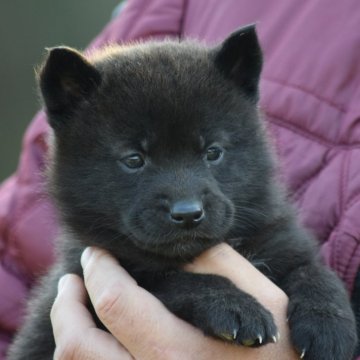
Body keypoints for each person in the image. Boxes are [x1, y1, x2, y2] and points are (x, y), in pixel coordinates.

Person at [1, 0, 359, 358]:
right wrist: (199, 295)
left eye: (211, 154)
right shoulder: (86, 278)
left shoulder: (275, 237)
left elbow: (300, 268)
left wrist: (321, 297)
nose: (187, 203)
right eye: (134, 159)